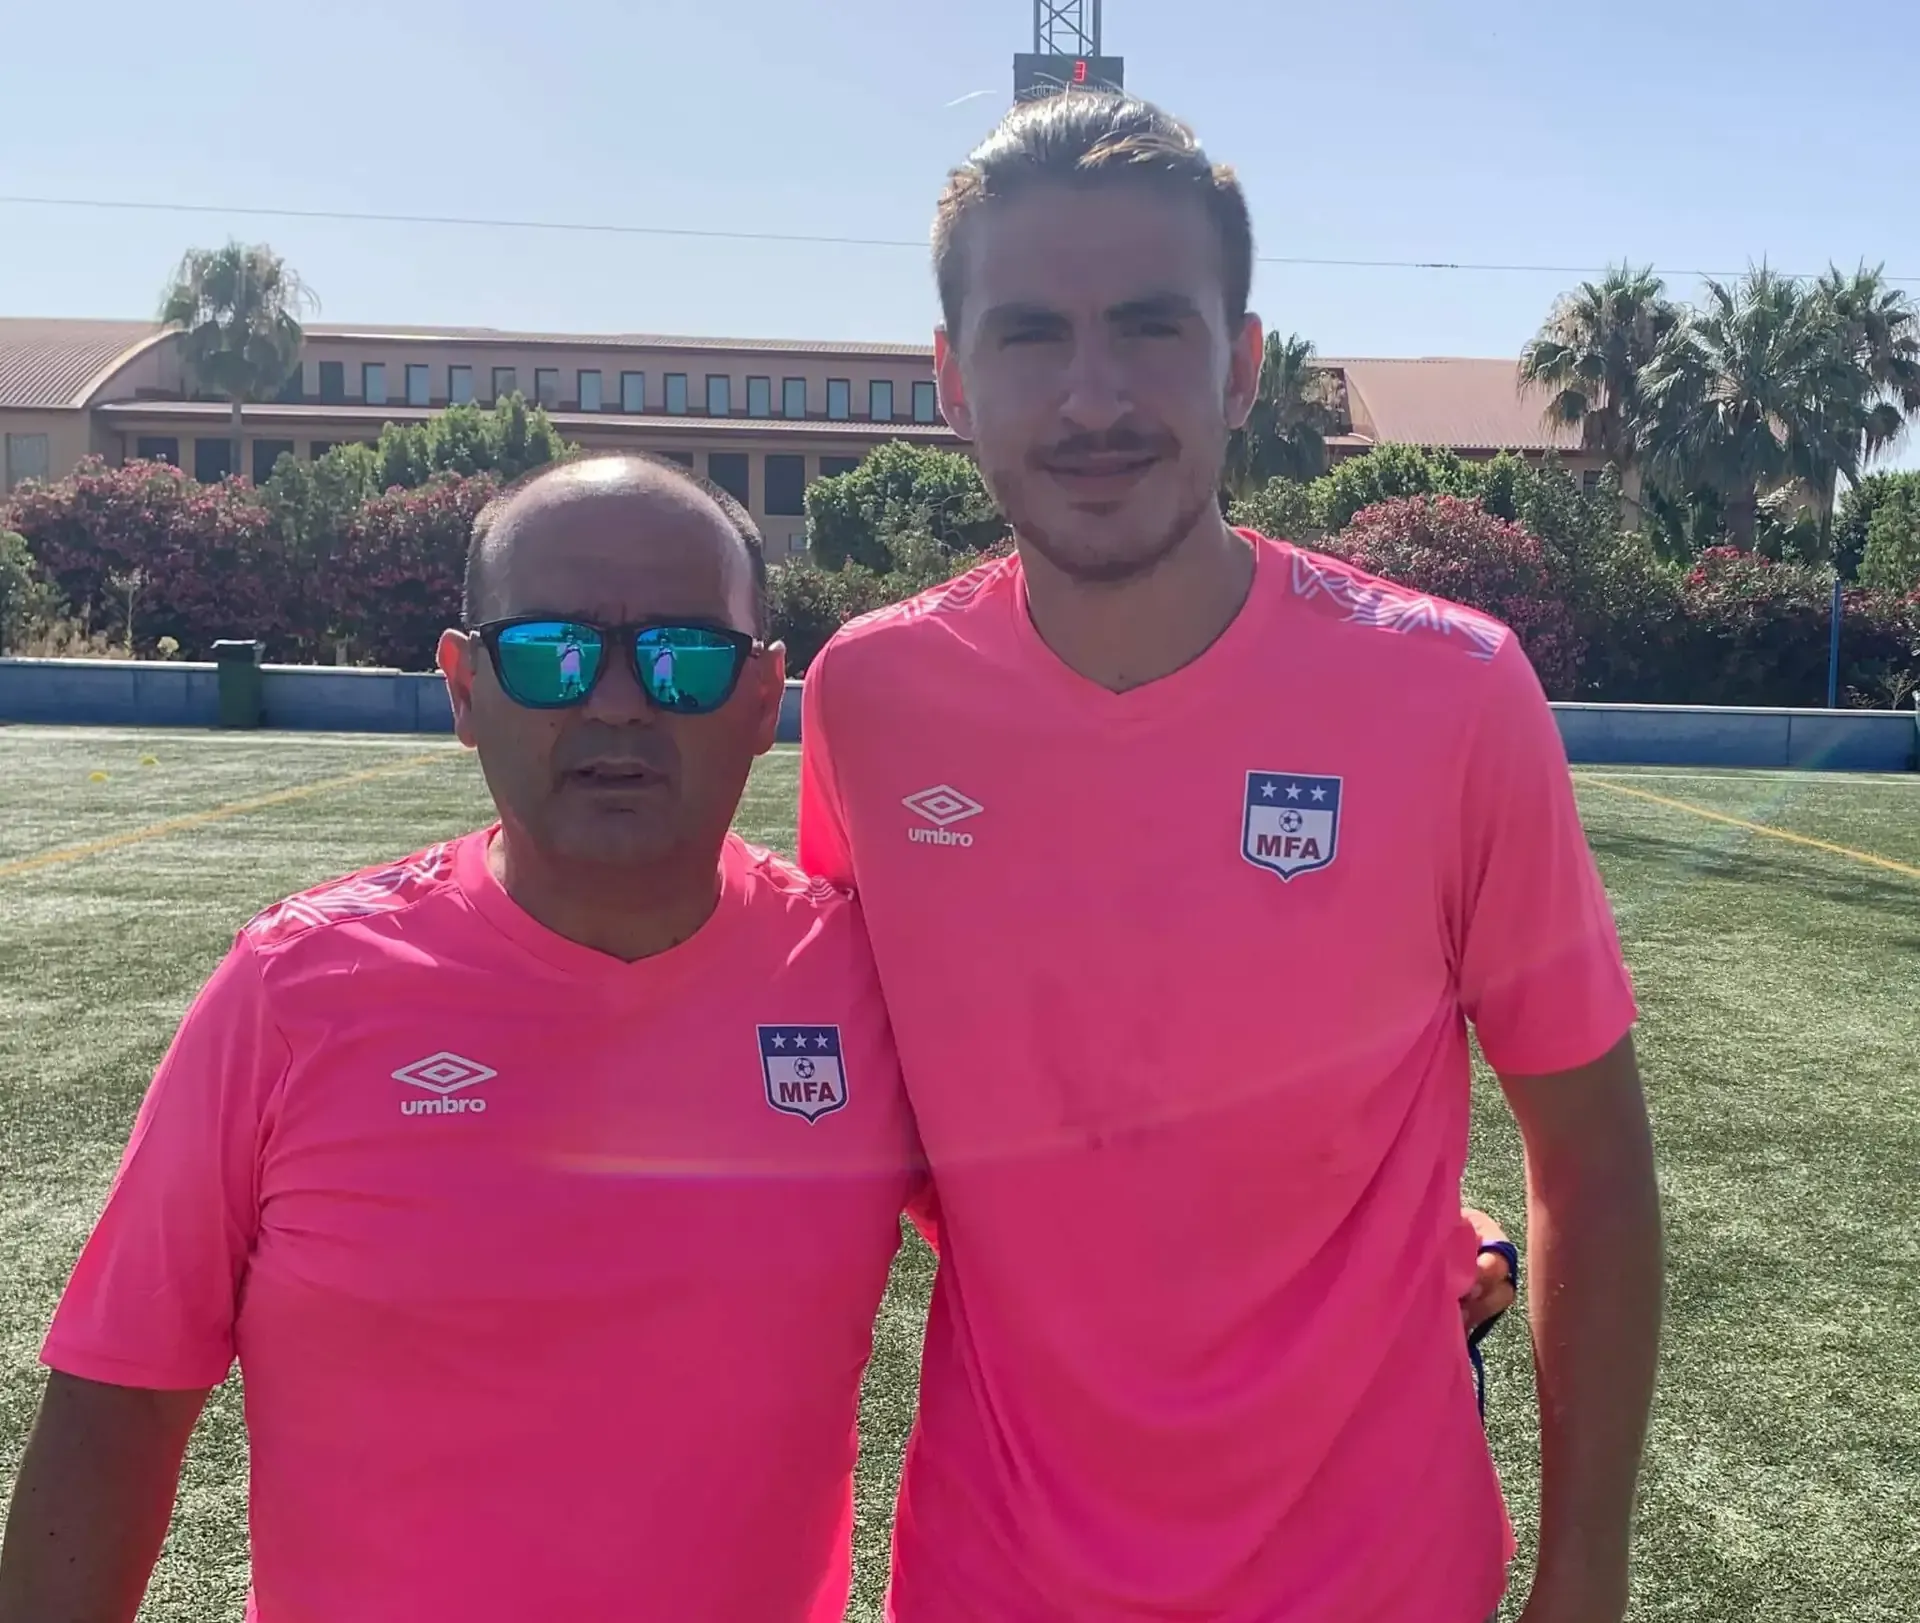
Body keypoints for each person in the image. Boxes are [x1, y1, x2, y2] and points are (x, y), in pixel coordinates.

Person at [798, 93, 1663, 1623]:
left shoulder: (1452, 691)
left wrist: (1583, 1570)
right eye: (1028, 336)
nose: (1091, 397)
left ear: (1241, 364)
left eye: (1148, 327)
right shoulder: (870, 701)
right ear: (950, 378)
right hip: (997, 1570)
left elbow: (1588, 1159)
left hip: (1374, 1574)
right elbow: (882, 1124)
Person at [0, 455, 918, 1623]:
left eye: (686, 657)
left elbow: (1062, 1280)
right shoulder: (296, 986)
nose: (619, 703)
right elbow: (117, 1400)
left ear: (761, 694)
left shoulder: (864, 983)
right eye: (551, 654)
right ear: (464, 684)